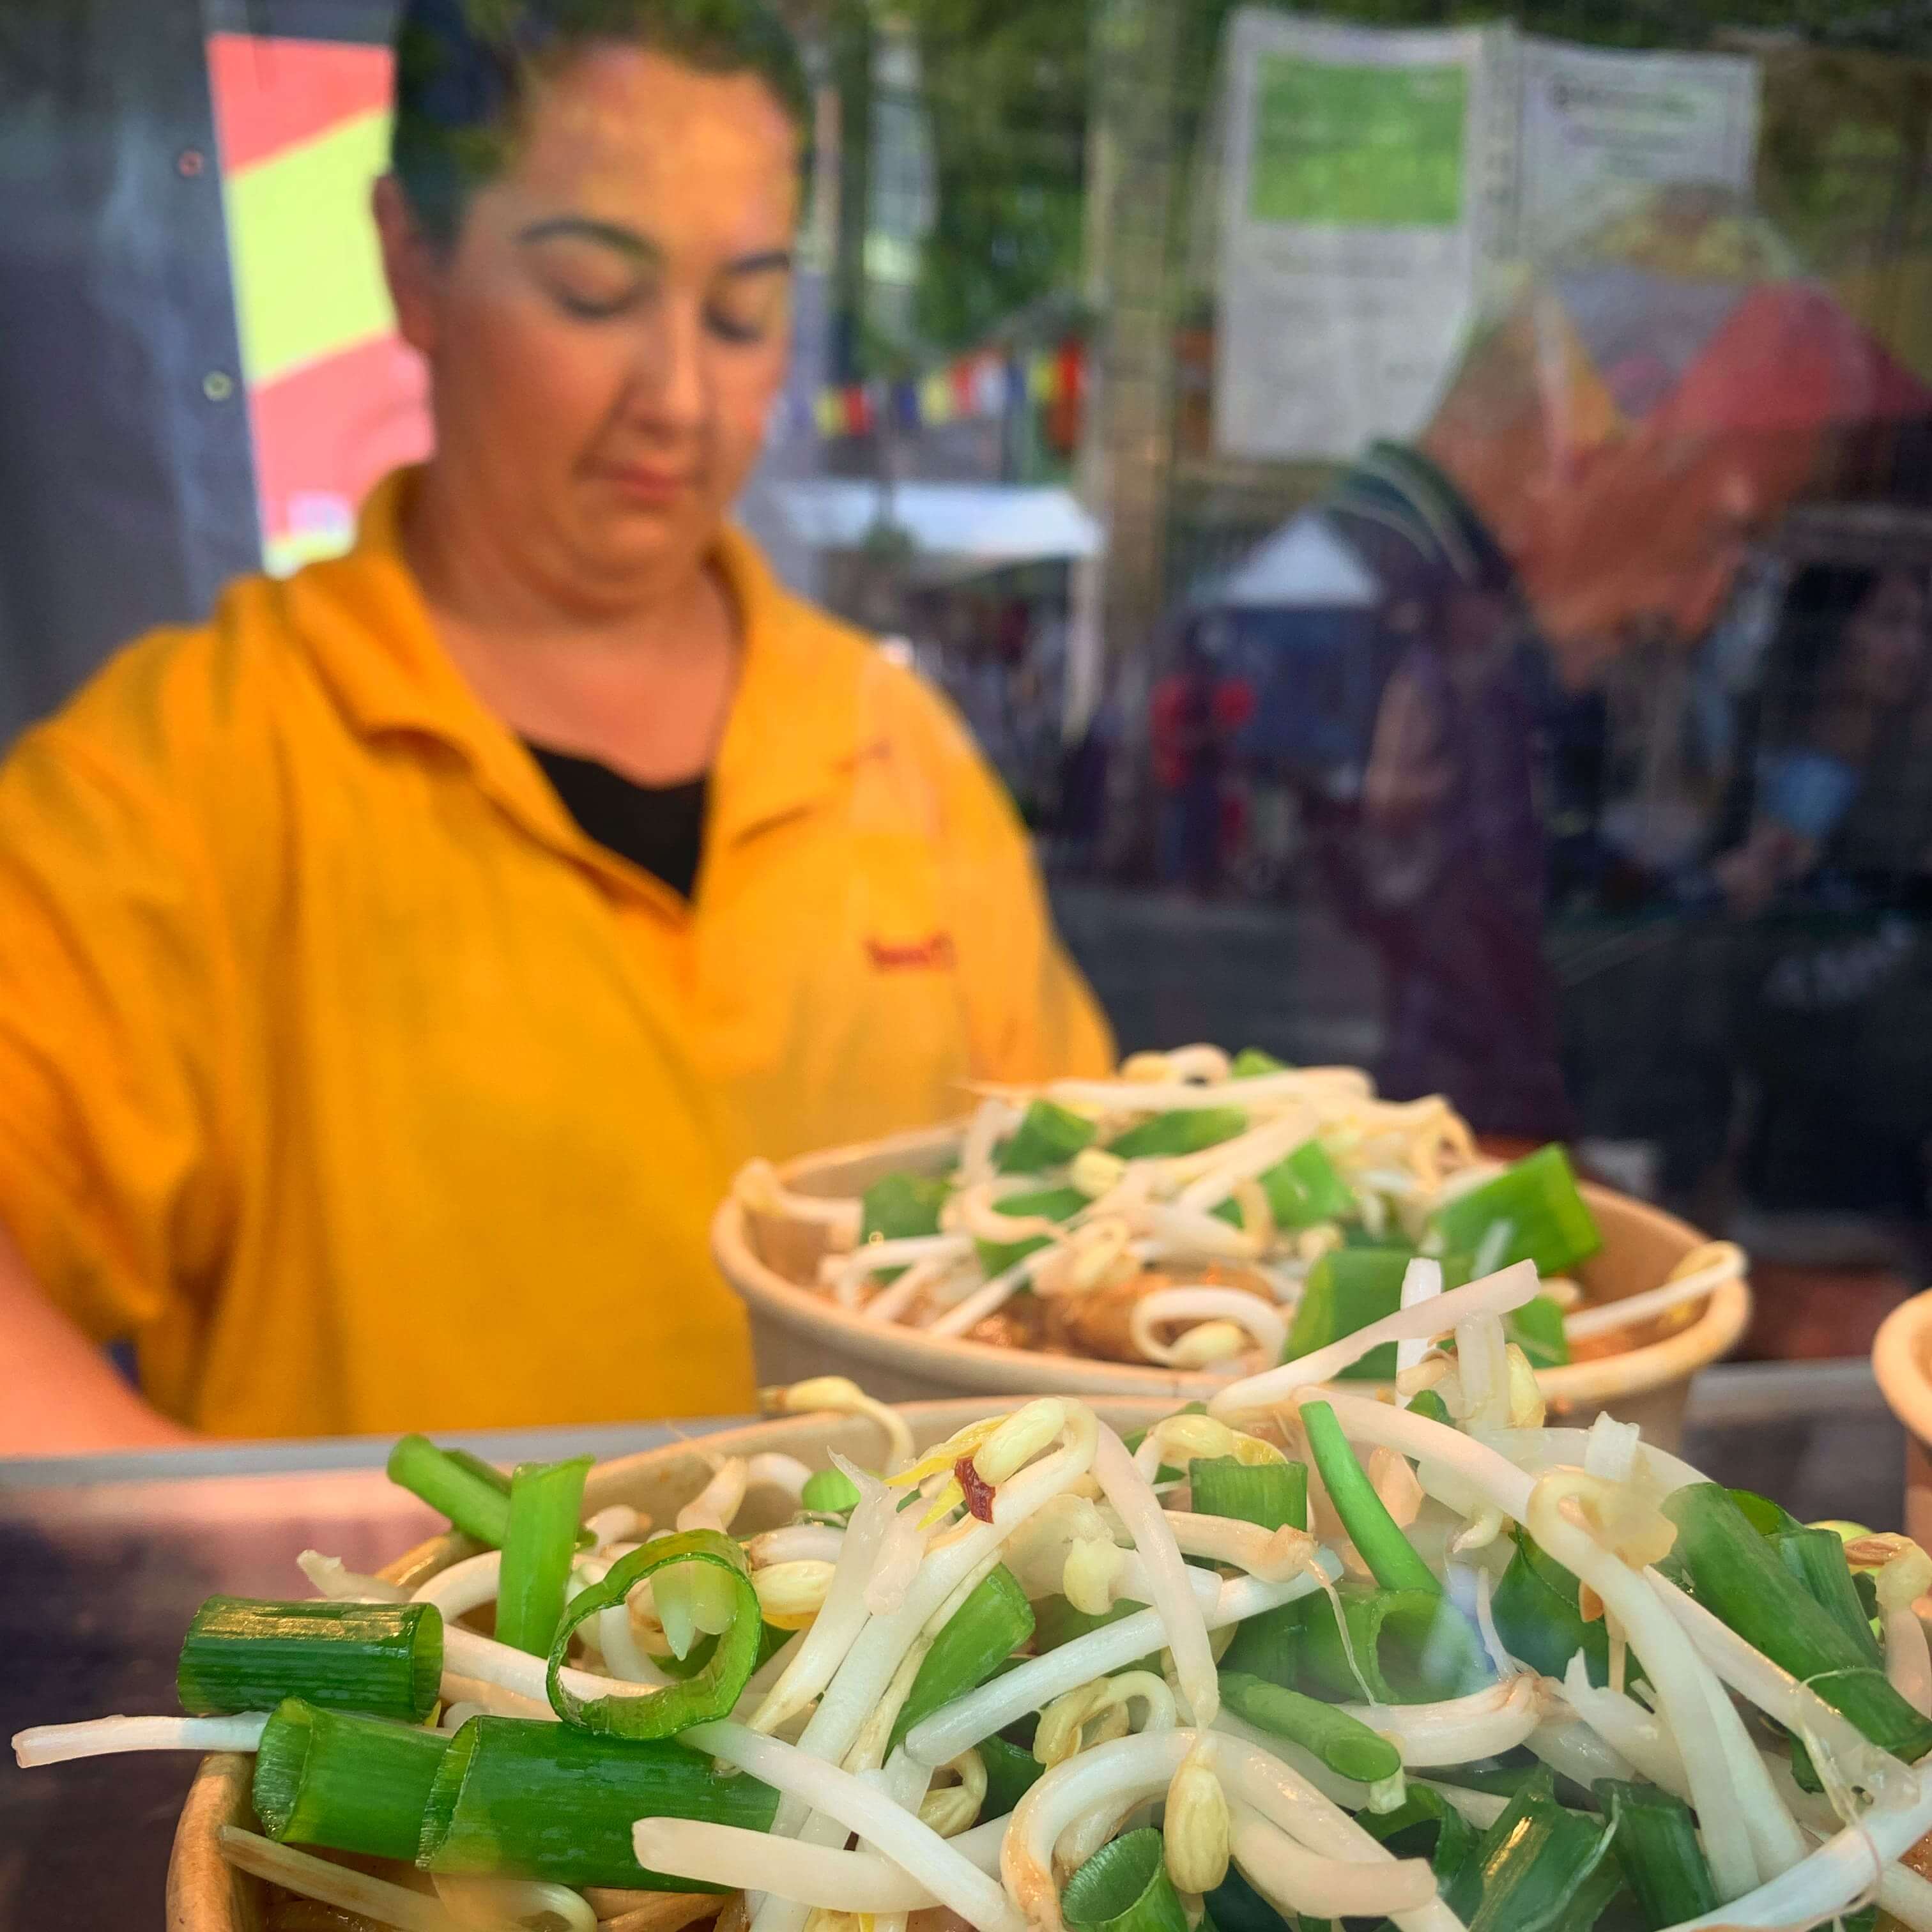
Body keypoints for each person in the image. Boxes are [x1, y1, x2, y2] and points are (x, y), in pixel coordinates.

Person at [0, 0, 1110, 1452]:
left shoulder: (892, 750)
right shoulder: (191, 766)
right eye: (594, 293)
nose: (680, 398)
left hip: (889, 1599)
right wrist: (211, 1543)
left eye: (742, 314)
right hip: (394, 1607)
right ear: (414, 262)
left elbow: (1089, 1214)